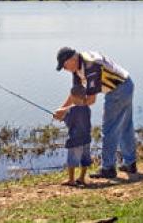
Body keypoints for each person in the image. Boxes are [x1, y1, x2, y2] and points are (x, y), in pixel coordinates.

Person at [54, 47, 136, 179]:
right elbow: (76, 93)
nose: (64, 68)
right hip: (125, 84)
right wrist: (61, 109)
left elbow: (90, 100)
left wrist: (67, 111)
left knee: (109, 129)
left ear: (72, 59)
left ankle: (108, 168)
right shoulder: (77, 68)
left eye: (64, 65)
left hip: (118, 89)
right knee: (125, 127)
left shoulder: (90, 66)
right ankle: (130, 163)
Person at [54, 85, 92, 186]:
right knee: (85, 160)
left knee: (72, 160)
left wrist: (61, 118)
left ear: (74, 97)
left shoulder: (73, 110)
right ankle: (82, 178)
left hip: (75, 140)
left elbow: (69, 122)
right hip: (86, 139)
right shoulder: (87, 108)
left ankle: (71, 179)